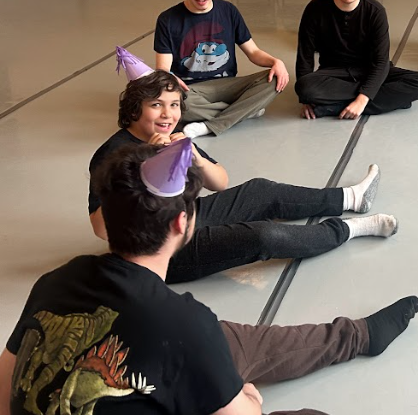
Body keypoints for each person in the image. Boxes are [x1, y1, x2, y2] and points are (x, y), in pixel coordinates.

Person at [0, 140, 418, 415]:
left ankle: (359, 335)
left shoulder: (56, 281)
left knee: (225, 344)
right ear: (182, 224)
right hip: (178, 355)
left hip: (155, 355)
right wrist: (246, 394)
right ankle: (356, 337)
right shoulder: (184, 322)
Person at [90, 56, 392, 284]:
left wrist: (193, 154)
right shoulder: (113, 153)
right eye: (156, 105)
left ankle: (350, 198)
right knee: (262, 237)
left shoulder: (174, 138)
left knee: (259, 191)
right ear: (133, 109)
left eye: (174, 105)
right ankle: (349, 229)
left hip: (189, 215)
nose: (168, 114)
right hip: (160, 251)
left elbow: (220, 182)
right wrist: (146, 166)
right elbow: (102, 229)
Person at [153, 0, 289, 139]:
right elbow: (163, 69)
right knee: (180, 106)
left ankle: (209, 125)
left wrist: (276, 62)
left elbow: (253, 52)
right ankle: (243, 111)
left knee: (275, 79)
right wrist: (170, 78)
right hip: (189, 89)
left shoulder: (228, 11)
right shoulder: (168, 19)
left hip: (227, 84)